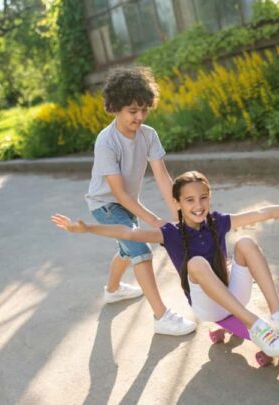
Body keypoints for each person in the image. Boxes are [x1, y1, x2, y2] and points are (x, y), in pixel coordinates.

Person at [53, 171, 279, 357]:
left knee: (245, 242)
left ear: (209, 197)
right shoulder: (170, 233)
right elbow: (128, 233)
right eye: (189, 200)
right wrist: (88, 228)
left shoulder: (218, 221)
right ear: (177, 203)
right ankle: (257, 326)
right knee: (196, 263)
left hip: (233, 294)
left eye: (203, 198)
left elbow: (263, 213)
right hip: (207, 305)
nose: (198, 205)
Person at [84, 66, 196, 336]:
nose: (139, 116)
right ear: (115, 107)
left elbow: (162, 177)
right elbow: (120, 194)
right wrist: (155, 221)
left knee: (126, 249)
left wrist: (181, 216)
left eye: (144, 109)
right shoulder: (106, 141)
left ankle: (112, 290)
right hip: (105, 205)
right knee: (141, 250)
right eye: (132, 111)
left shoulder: (149, 135)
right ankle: (161, 317)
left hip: (125, 203)